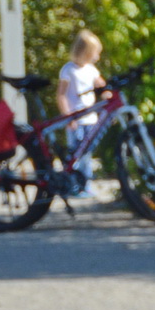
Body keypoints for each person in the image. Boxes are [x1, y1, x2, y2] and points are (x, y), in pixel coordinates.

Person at [56, 29, 105, 197]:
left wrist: (109, 96)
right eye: (95, 53)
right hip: (75, 119)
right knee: (74, 153)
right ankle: (71, 184)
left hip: (90, 119)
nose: (97, 57)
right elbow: (61, 94)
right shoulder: (68, 70)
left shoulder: (92, 70)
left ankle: (86, 184)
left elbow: (103, 87)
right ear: (86, 52)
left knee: (87, 153)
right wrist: (67, 115)